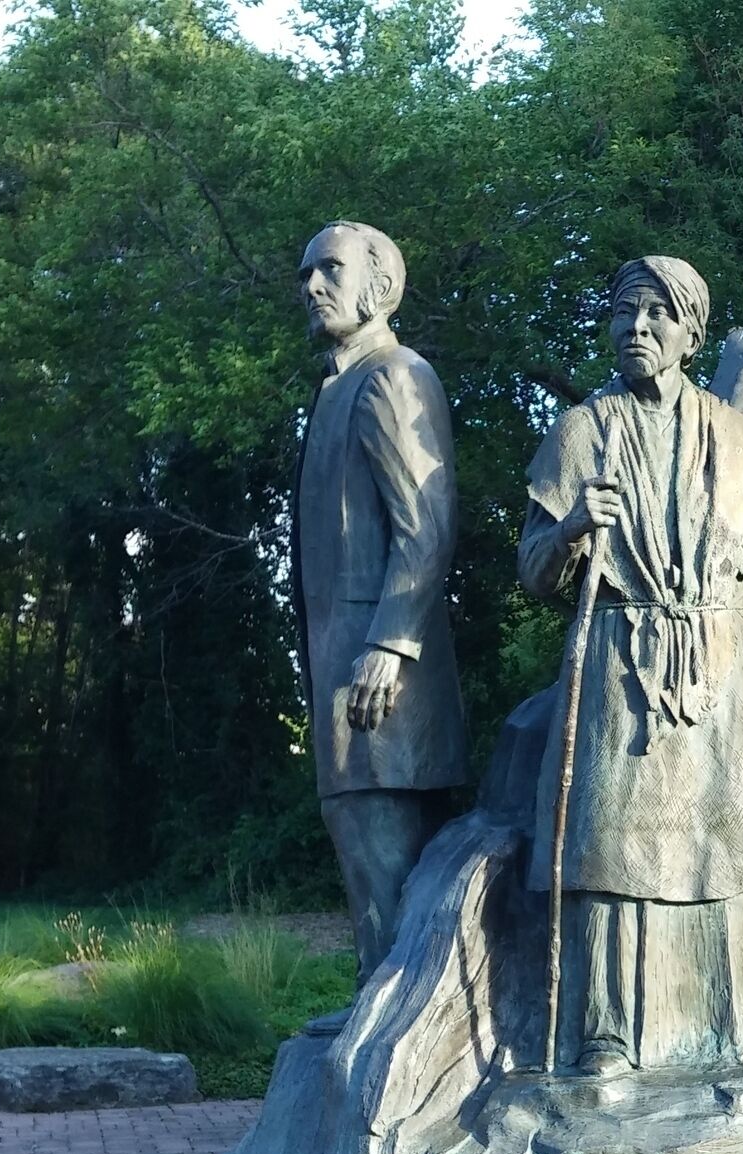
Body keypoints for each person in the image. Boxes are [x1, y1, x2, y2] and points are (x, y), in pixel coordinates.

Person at [519, 255, 743, 1079]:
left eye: (657, 314)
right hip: (620, 661)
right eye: (624, 312)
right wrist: (571, 527)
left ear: (689, 333)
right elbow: (534, 572)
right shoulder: (580, 433)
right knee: (609, 847)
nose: (637, 328)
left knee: (741, 838)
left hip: (720, 662)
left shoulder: (740, 440)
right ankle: (607, 1031)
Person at [293, 221, 467, 973]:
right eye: (306, 274)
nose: (312, 286)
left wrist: (390, 645)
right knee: (366, 863)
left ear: (381, 285)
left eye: (330, 269)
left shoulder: (394, 375)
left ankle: (394, 1015)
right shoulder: (338, 387)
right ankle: (379, 1004)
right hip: (346, 670)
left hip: (383, 683)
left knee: (393, 875)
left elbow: (426, 528)